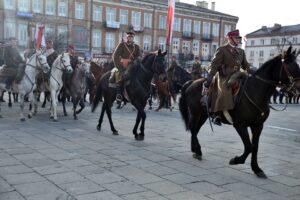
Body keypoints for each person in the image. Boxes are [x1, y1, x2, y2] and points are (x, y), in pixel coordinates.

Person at [204, 30, 250, 126]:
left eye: (239, 38)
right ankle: (217, 114)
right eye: (236, 38)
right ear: (230, 38)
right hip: (224, 76)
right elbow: (214, 65)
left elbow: (246, 66)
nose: (238, 40)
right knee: (224, 90)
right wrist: (209, 78)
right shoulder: (222, 49)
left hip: (237, 75)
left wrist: (254, 72)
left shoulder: (241, 51)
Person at [111, 30, 141, 101]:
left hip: (133, 65)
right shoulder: (121, 45)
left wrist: (137, 60)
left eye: (131, 37)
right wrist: (119, 66)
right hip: (123, 65)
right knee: (120, 76)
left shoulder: (136, 47)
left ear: (133, 38)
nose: (130, 38)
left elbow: (139, 56)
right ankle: (119, 94)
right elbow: (115, 56)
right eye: (129, 37)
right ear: (127, 37)